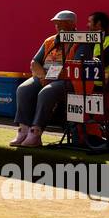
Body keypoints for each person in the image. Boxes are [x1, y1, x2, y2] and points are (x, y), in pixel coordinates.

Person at [10, 10, 84, 148]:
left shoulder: (81, 40)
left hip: (70, 81)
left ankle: (35, 133)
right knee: (23, 89)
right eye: (56, 23)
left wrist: (52, 78)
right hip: (45, 77)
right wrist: (44, 77)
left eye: (60, 23)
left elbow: (77, 66)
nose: (57, 26)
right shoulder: (50, 40)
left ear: (72, 24)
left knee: (47, 92)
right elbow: (35, 63)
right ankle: (23, 130)